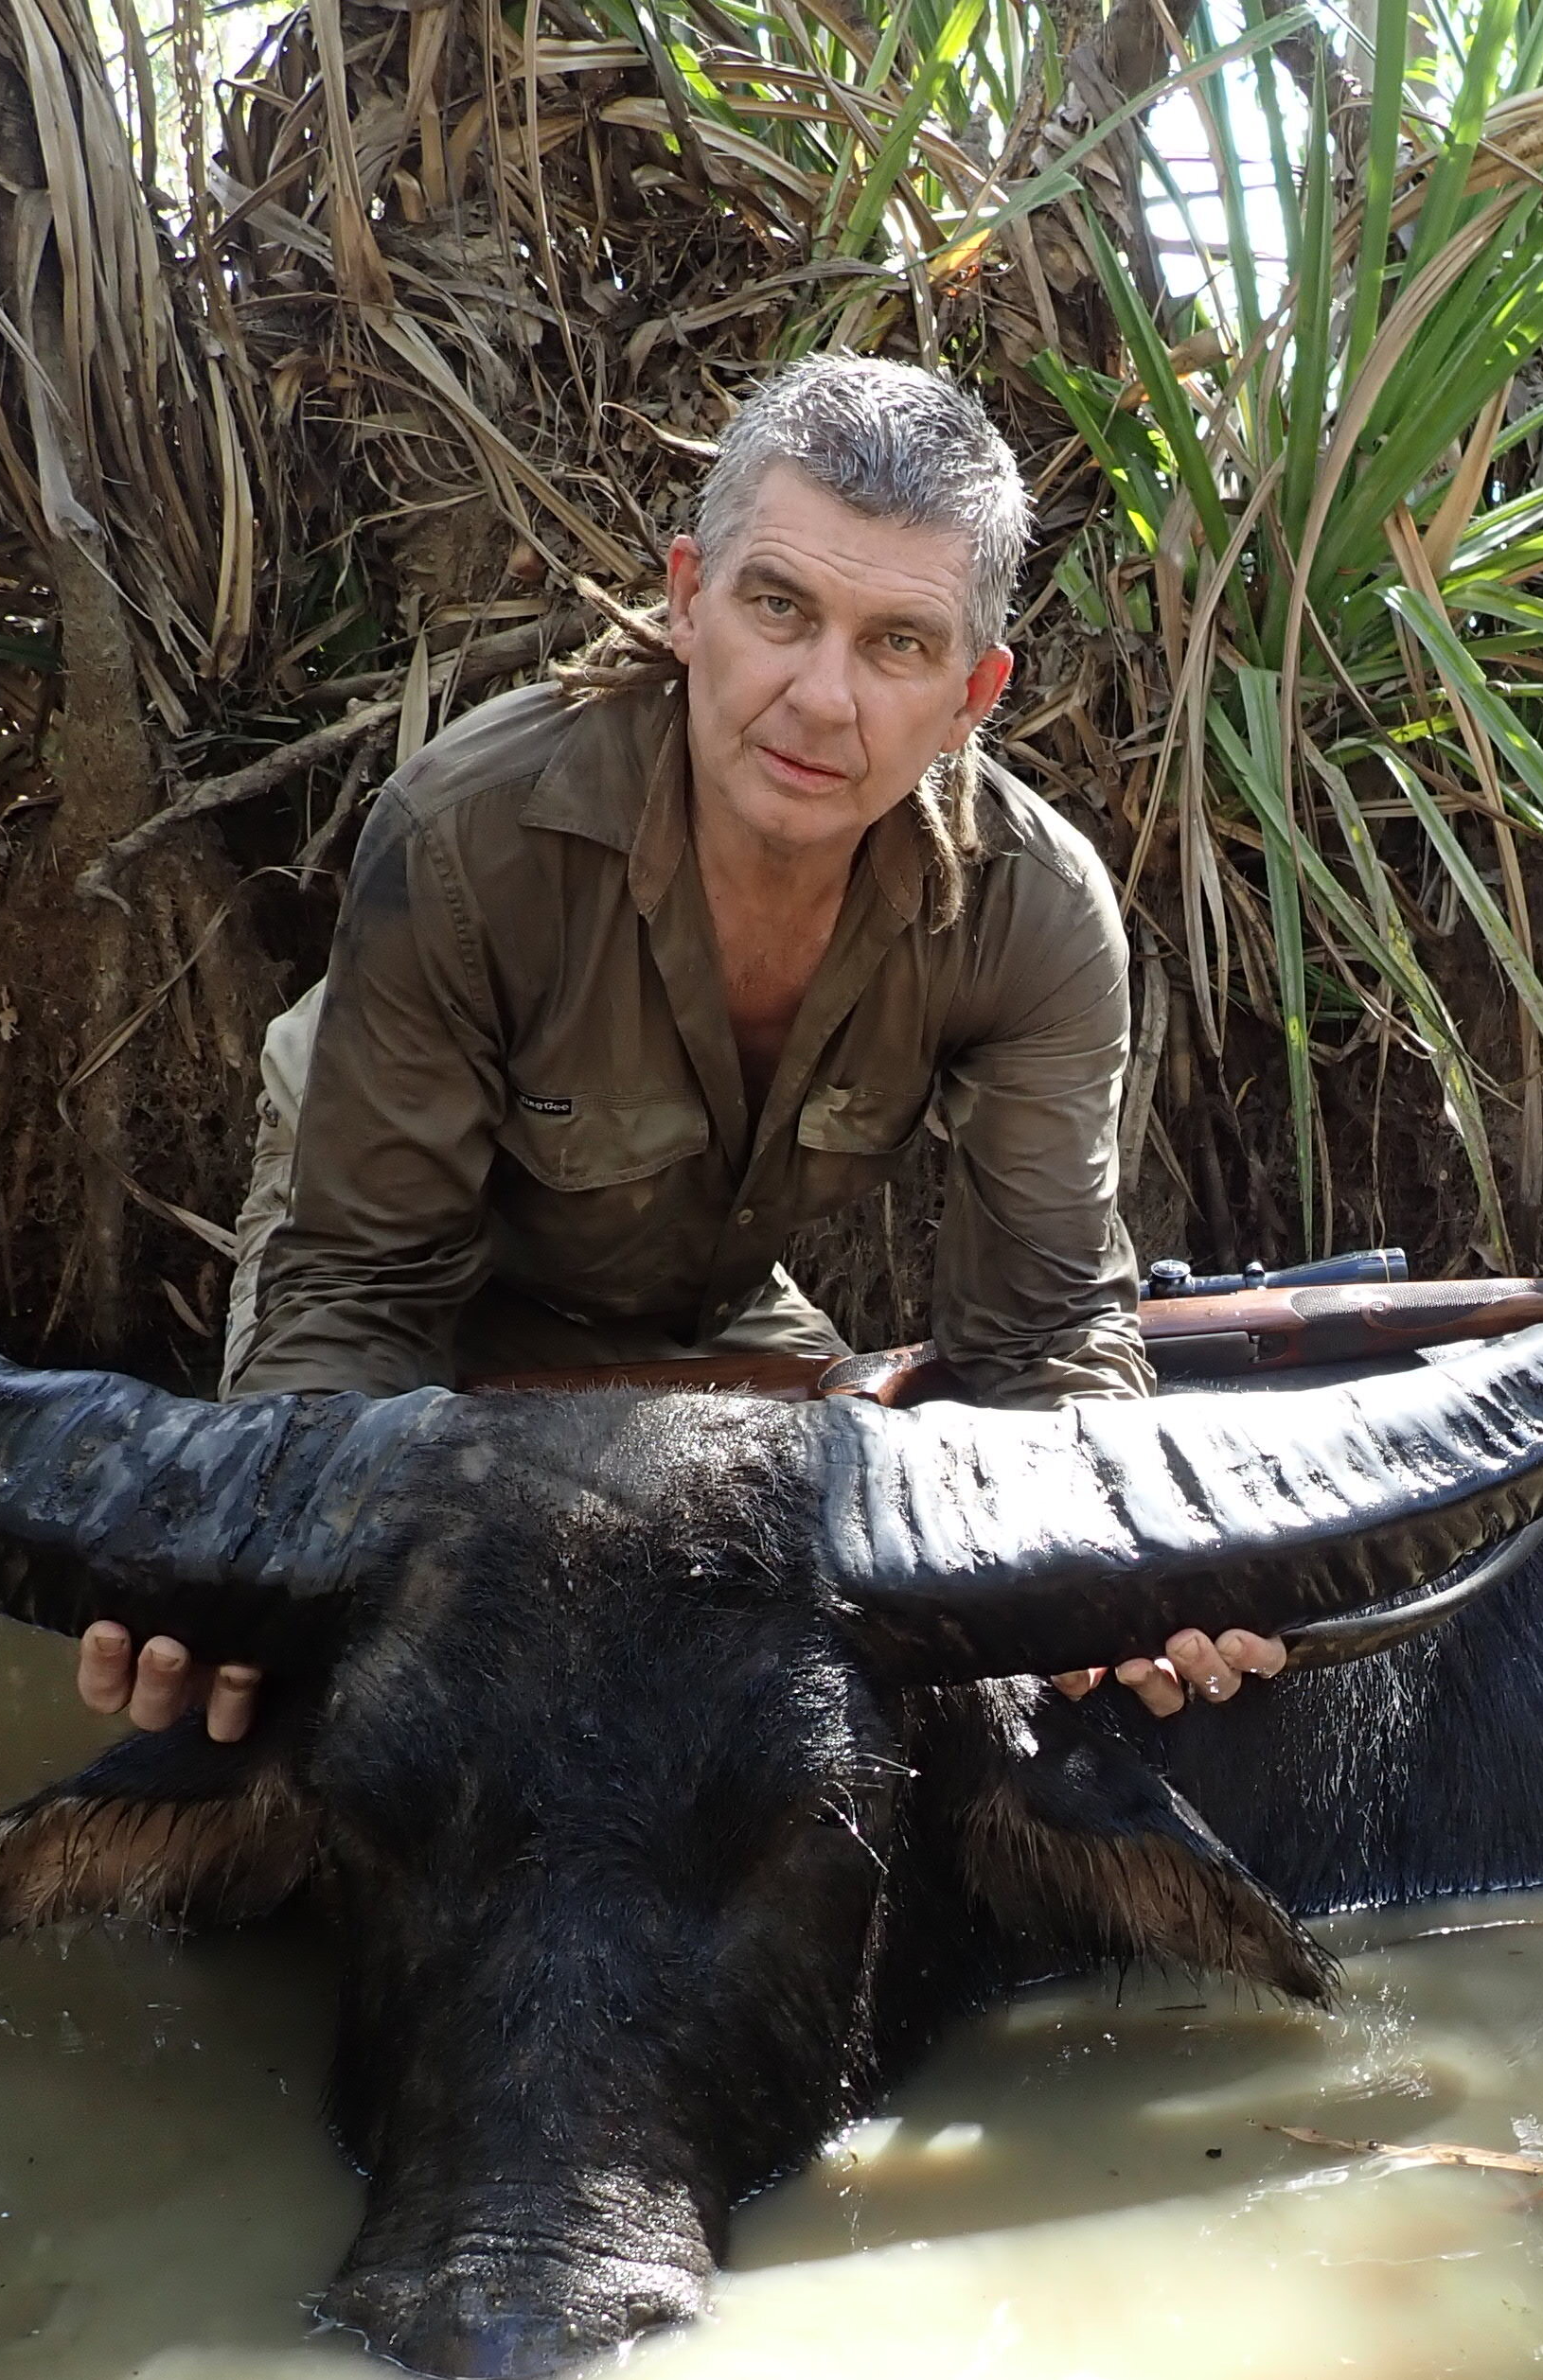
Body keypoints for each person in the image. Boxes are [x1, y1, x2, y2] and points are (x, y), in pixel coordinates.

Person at [78, 356, 1283, 1742]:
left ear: (975, 691)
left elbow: (1046, 1340)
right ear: (689, 597)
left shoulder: (1036, 908)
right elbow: (357, 1300)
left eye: (898, 643)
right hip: (416, 1274)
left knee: (872, 1654)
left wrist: (1125, 1555)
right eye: (781, 607)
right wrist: (274, 1548)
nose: (824, 699)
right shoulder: (467, 830)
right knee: (297, 1684)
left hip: (703, 1301)